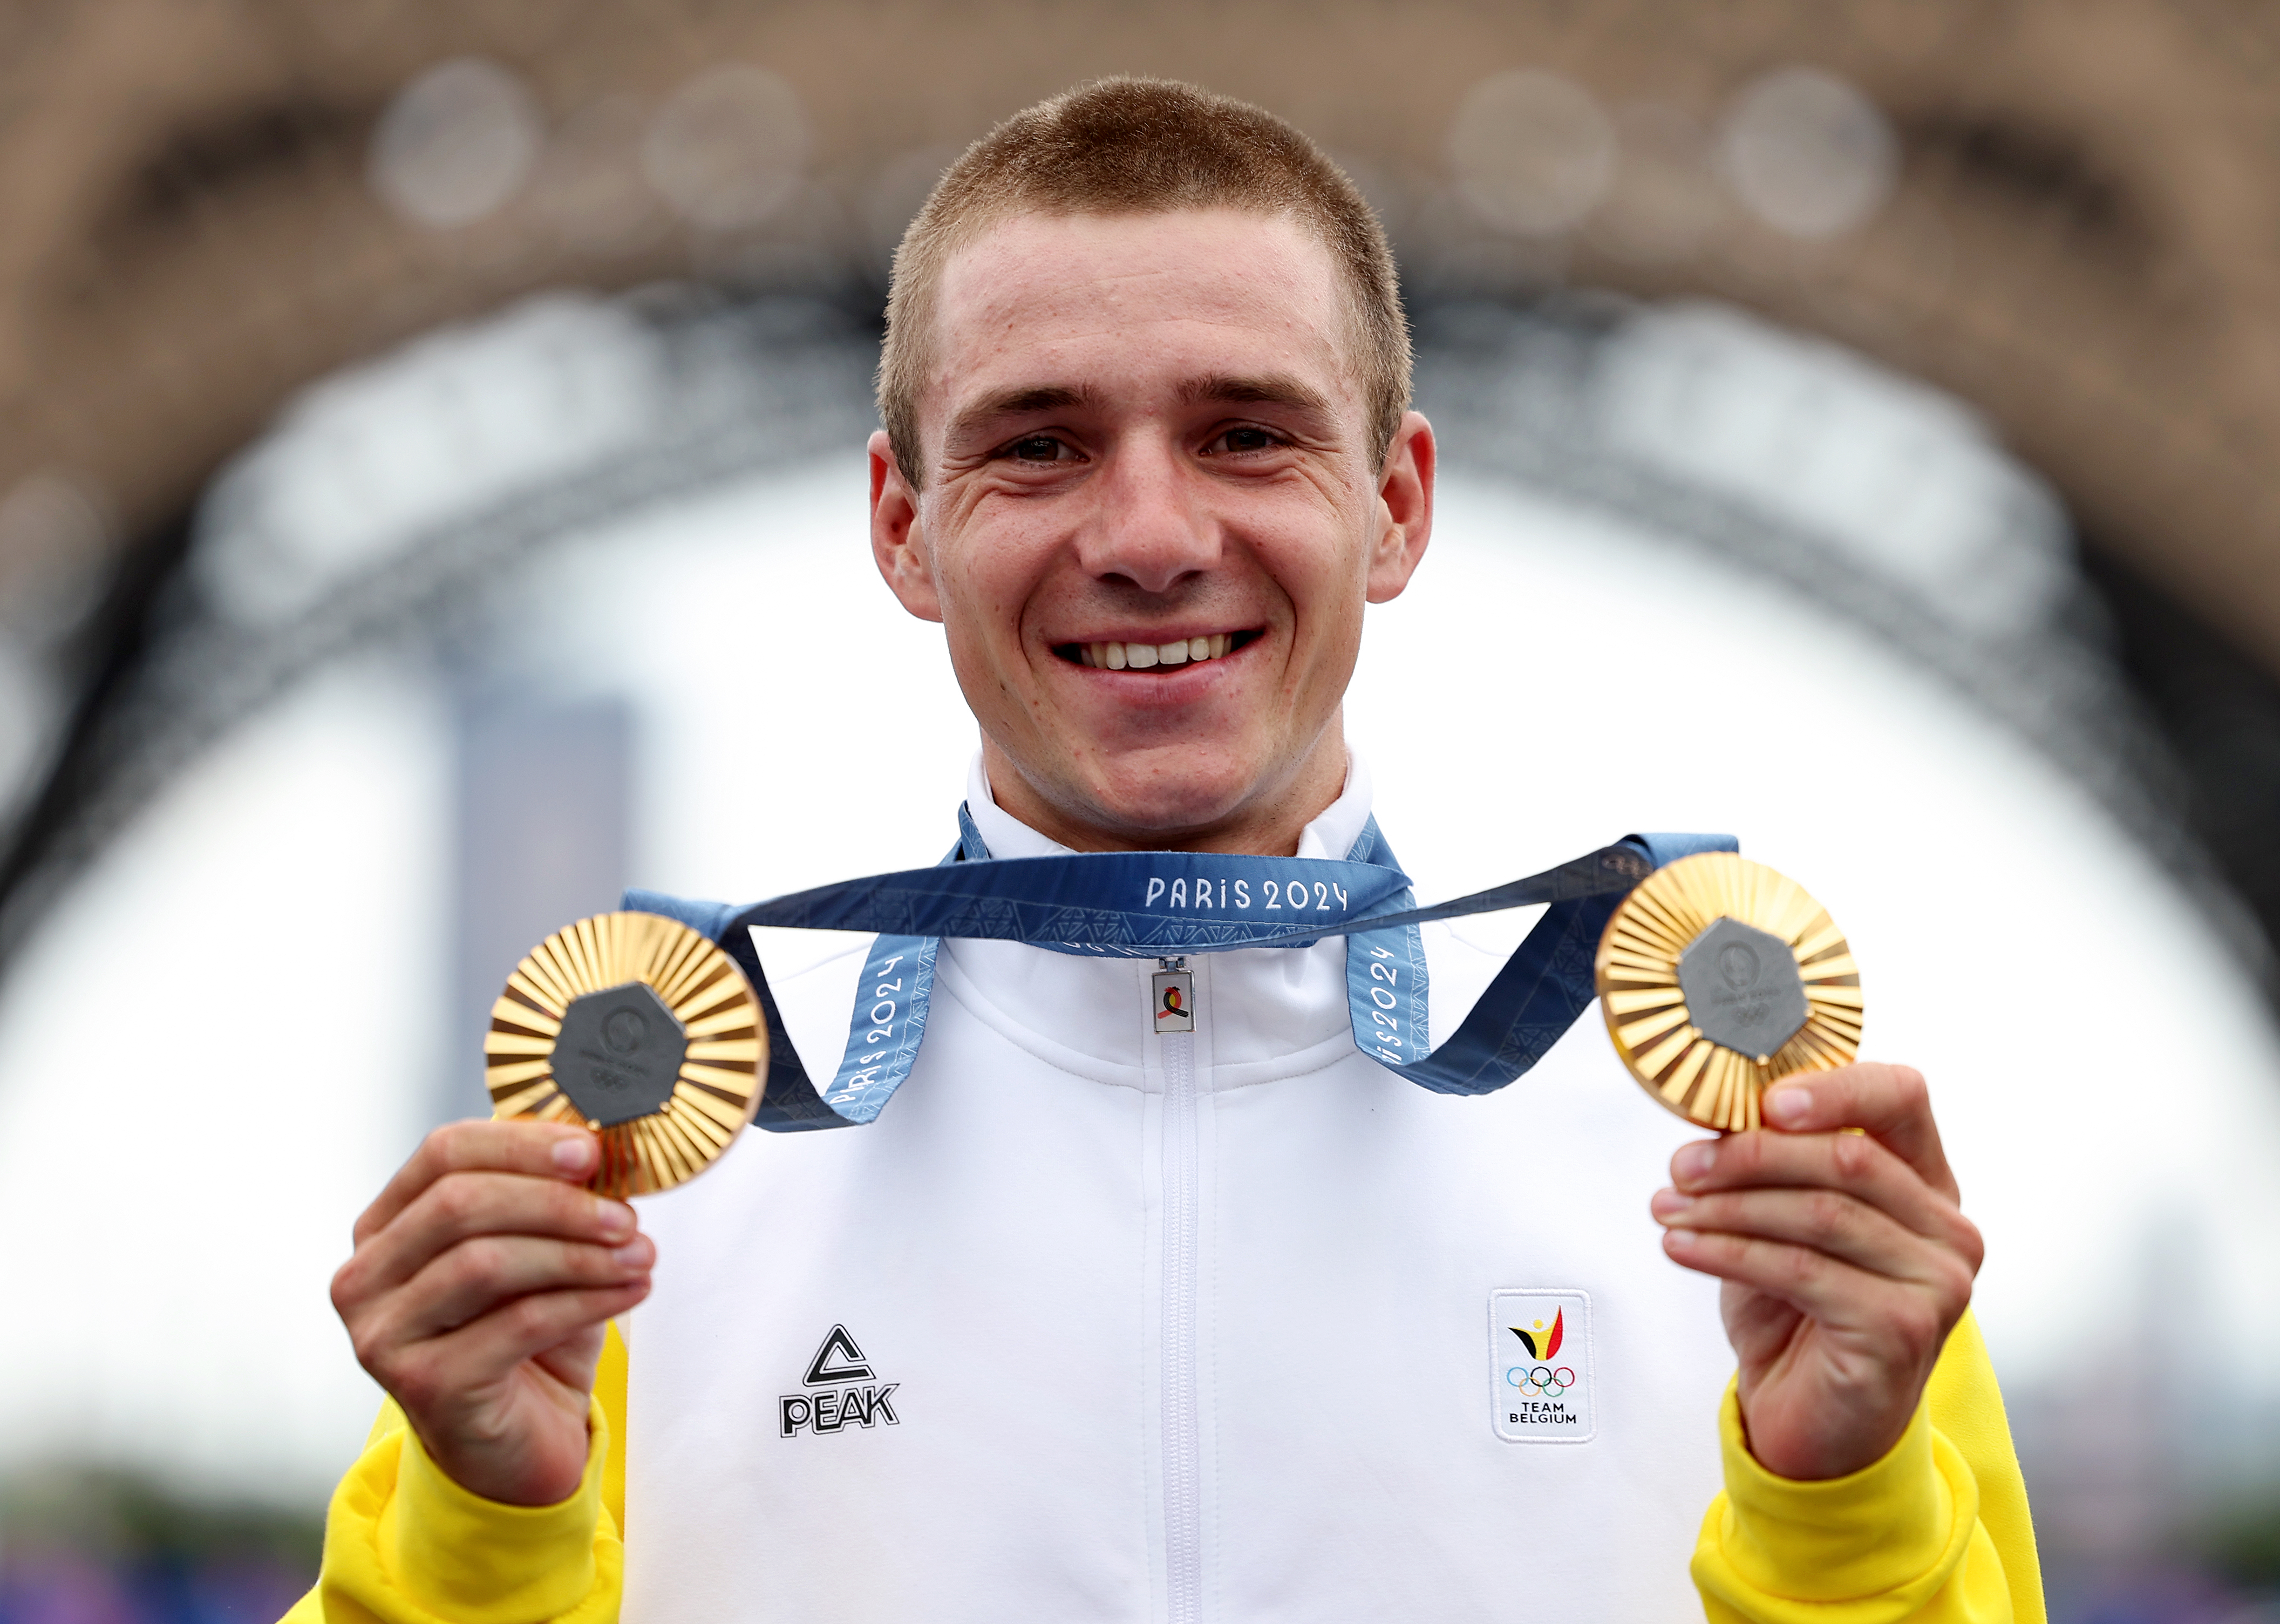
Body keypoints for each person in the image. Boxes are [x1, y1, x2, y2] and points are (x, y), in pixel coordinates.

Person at [290, 78, 2041, 1623]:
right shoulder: (631, 1203)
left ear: (1397, 503)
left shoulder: (1750, 1175)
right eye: (1039, 445)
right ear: (904, 527)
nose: (1145, 534)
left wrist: (1837, 1518)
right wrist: (475, 1550)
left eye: (1246, 433)